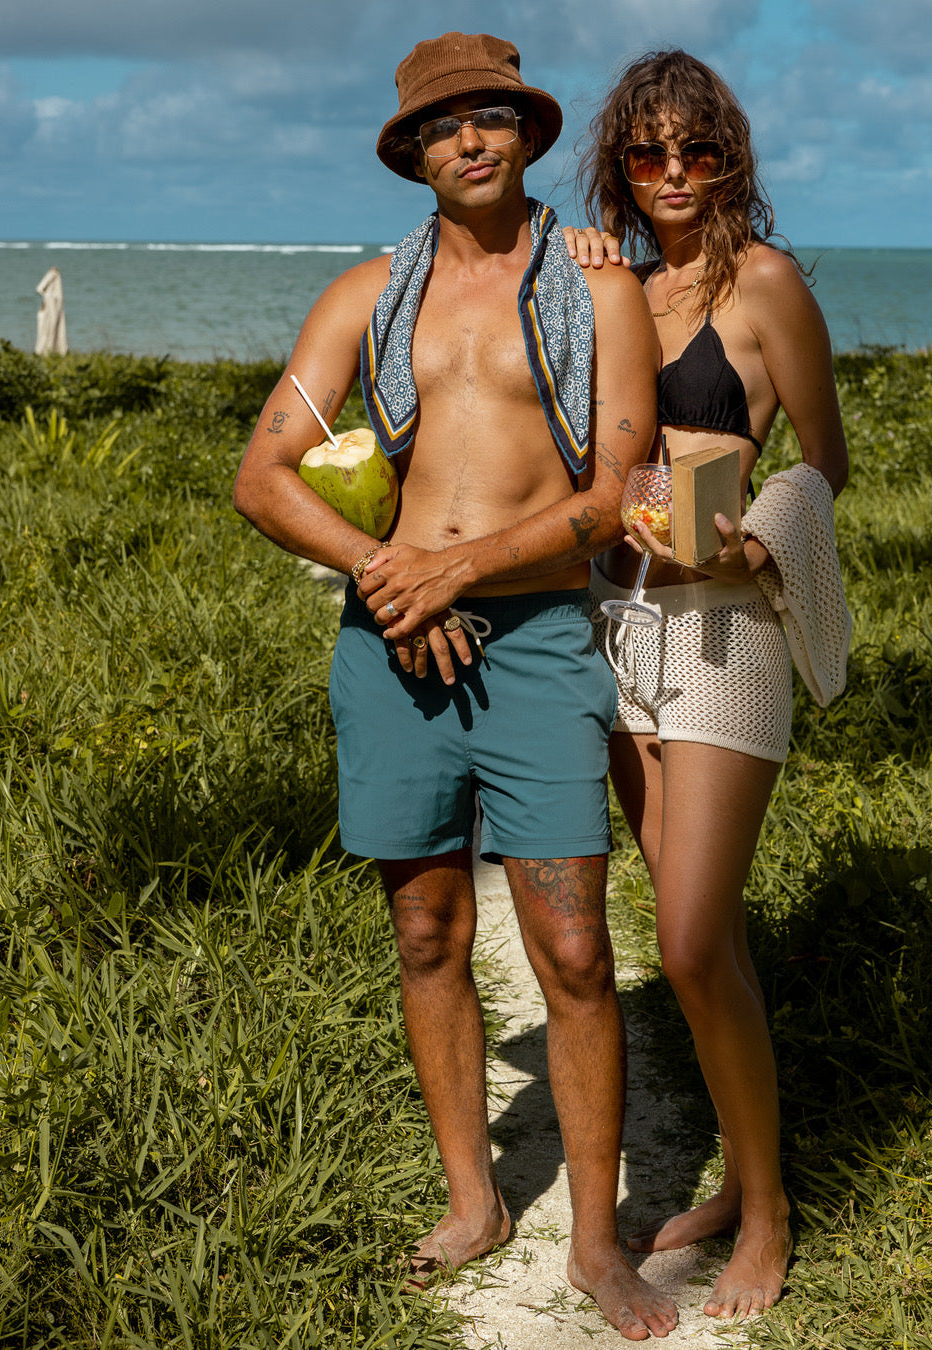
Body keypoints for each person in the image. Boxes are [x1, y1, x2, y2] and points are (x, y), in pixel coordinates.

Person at [233, 31, 679, 1342]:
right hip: (394, 650)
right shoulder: (368, 293)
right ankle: (475, 1199)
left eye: (490, 117)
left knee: (578, 947)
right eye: (442, 127)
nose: (468, 140)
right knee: (426, 932)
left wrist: (463, 568)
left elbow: (614, 493)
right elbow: (264, 479)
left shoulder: (594, 287)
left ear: (526, 136)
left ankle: (598, 1240)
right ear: (413, 155)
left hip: (536, 636)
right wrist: (392, 575)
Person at [569, 49, 851, 1322]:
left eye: (698, 150)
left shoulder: (766, 286)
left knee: (685, 939)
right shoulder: (615, 289)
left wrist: (758, 531)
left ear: (730, 157)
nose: (674, 173)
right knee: (708, 941)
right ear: (619, 164)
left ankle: (772, 1209)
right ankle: (738, 1181)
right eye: (647, 153)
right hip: (621, 634)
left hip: (727, 631)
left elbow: (825, 464)